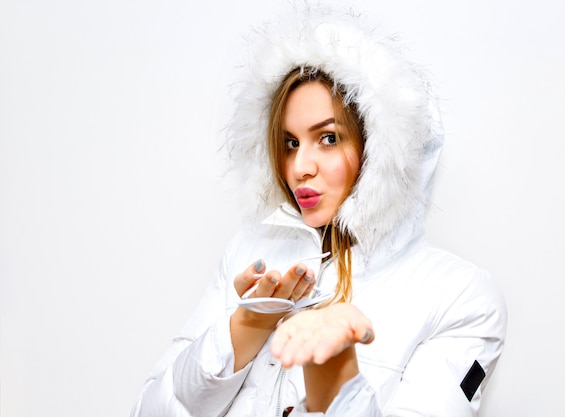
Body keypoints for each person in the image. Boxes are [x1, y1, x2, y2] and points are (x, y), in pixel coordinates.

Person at [131, 3, 507, 416]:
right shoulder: (250, 255)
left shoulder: (459, 297)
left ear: (382, 148)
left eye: (328, 138)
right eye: (290, 142)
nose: (299, 167)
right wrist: (245, 326)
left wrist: (335, 373)